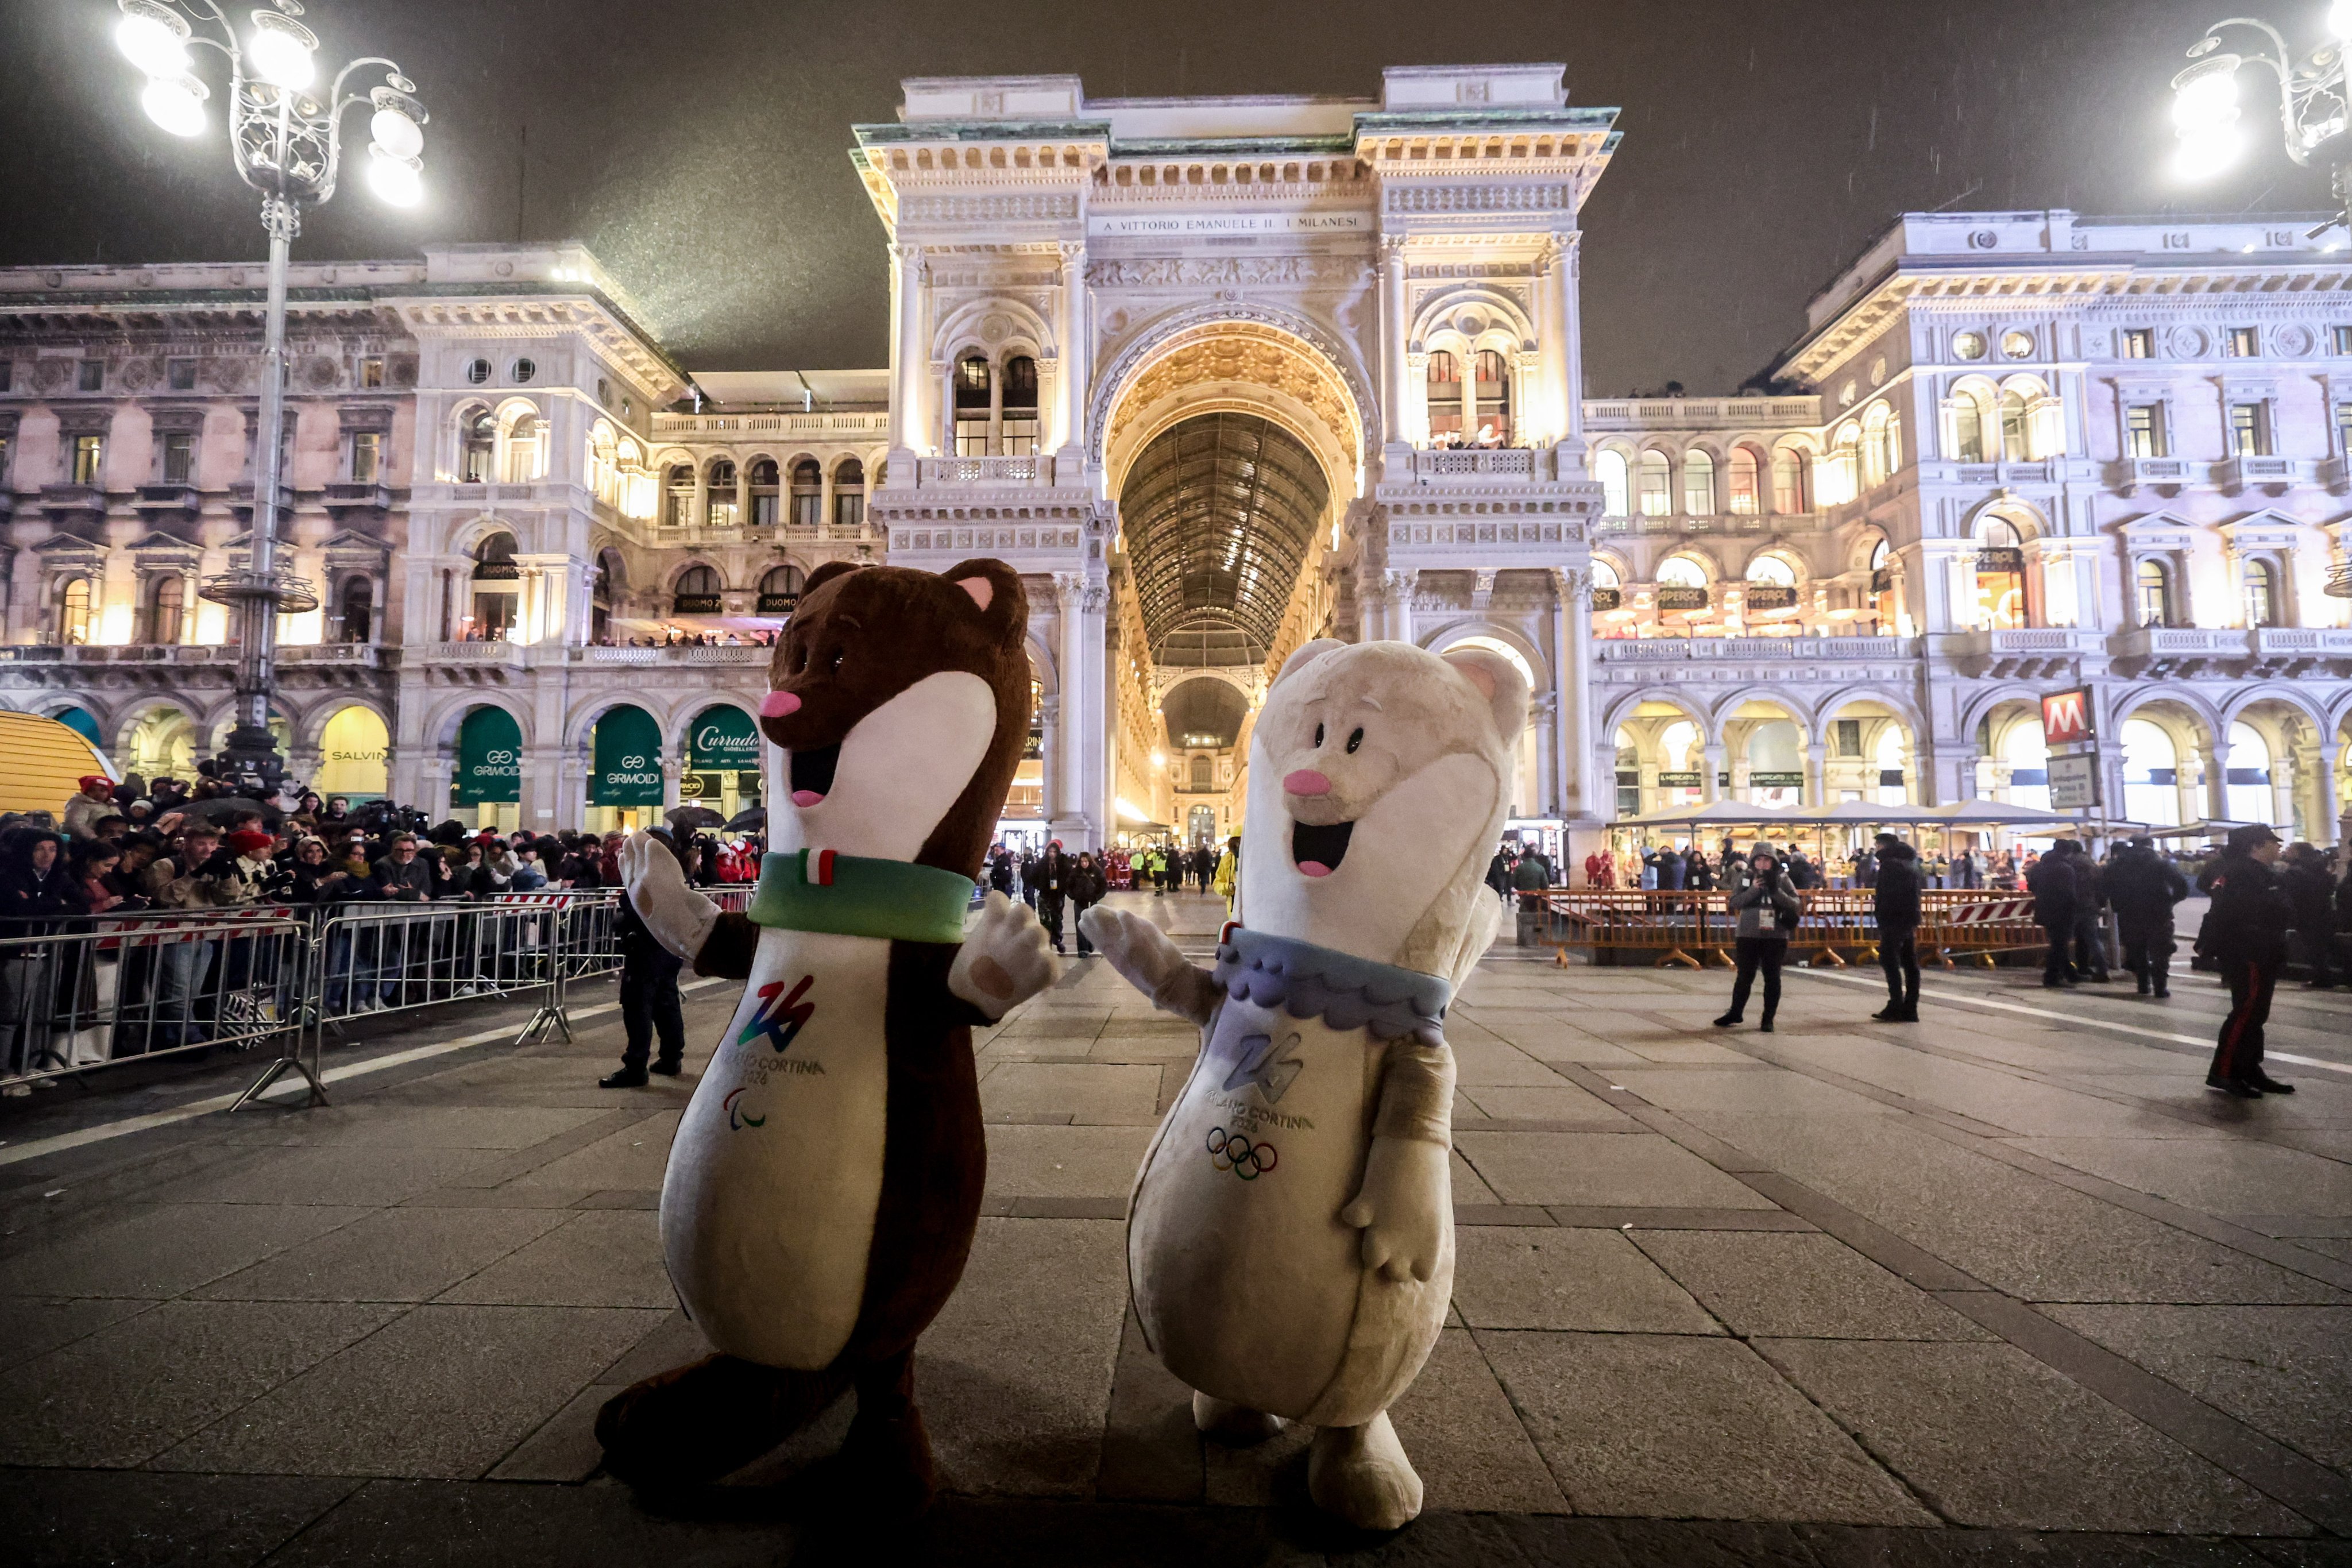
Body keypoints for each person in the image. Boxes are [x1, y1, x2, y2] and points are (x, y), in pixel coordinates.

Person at [2202, 824, 2295, 1098]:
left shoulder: (2243, 871)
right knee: (2246, 1012)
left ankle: (2249, 1068)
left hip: (2260, 949)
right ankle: (2226, 1071)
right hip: (2250, 951)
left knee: (2256, 1014)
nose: (2278, 847)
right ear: (2255, 846)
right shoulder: (2243, 874)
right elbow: (2246, 913)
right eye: (2271, 842)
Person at [603, 829, 688, 1088]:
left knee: (638, 1005)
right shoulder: (677, 873)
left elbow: (634, 913)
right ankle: (671, 1057)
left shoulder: (646, 874)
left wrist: (619, 920)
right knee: (667, 1003)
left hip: (646, 949)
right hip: (669, 948)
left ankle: (636, 1065)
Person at [1714, 848, 1799, 1033]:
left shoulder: (1782, 879)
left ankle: (1768, 1019)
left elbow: (1795, 903)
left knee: (1772, 977)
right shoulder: (1746, 877)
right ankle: (1736, 1012)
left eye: (1766, 860)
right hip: (1748, 934)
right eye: (1759, 860)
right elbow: (1735, 902)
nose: (1762, 864)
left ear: (1773, 862)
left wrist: (1775, 891)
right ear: (1753, 861)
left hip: (1775, 935)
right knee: (1745, 975)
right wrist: (1754, 889)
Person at [2104, 834, 2188, 998]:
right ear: (2150, 844)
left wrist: (2118, 904)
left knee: (2137, 951)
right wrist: (2170, 901)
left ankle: (2143, 985)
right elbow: (2182, 886)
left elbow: (2106, 885)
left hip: (2128, 914)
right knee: (2161, 952)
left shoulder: (2118, 864)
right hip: (2158, 913)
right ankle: (2160, 988)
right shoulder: (2160, 863)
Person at [1870, 833, 1921, 1022]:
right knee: (1909, 962)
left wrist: (1882, 915)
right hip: (1909, 917)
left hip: (1893, 919)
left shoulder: (1890, 865)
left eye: (1877, 845)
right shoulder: (1911, 862)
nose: (1876, 848)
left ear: (1884, 846)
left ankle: (1896, 1004)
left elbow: (1887, 894)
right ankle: (1911, 1007)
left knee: (1889, 960)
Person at [2280, 841, 2338, 990]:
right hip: (2323, 912)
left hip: (2306, 914)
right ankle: (2328, 977)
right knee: (2326, 947)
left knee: (2314, 949)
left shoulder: (2295, 871)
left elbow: (2291, 894)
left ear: (2298, 852)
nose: (2287, 851)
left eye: (2290, 849)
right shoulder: (2319, 867)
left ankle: (2322, 979)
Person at [2027, 840, 2081, 988]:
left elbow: (2031, 885)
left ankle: (2070, 974)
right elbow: (2069, 894)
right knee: (2060, 945)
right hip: (2062, 911)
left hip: (2044, 909)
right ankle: (2051, 977)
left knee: (2057, 943)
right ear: (2068, 852)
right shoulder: (2066, 869)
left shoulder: (2039, 867)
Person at [1068, 850, 1107, 955]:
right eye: (1082, 862)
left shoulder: (1097, 871)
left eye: (1086, 861)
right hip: (1080, 902)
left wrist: (1097, 896)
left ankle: (1090, 943)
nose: (1084, 864)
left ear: (1089, 861)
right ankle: (1082, 949)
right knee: (1080, 925)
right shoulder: (1075, 872)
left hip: (1092, 902)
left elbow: (1104, 885)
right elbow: (1068, 886)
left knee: (1091, 925)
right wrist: (1073, 896)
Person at [1034, 840, 1069, 954]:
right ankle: (1046, 944)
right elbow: (1033, 875)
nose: (1052, 854)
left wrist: (1064, 889)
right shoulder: (1043, 863)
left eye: (1054, 852)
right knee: (1045, 922)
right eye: (1050, 852)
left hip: (1057, 896)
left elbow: (1070, 877)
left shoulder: (1063, 863)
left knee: (1057, 920)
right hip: (1045, 895)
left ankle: (1057, 940)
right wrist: (1039, 885)